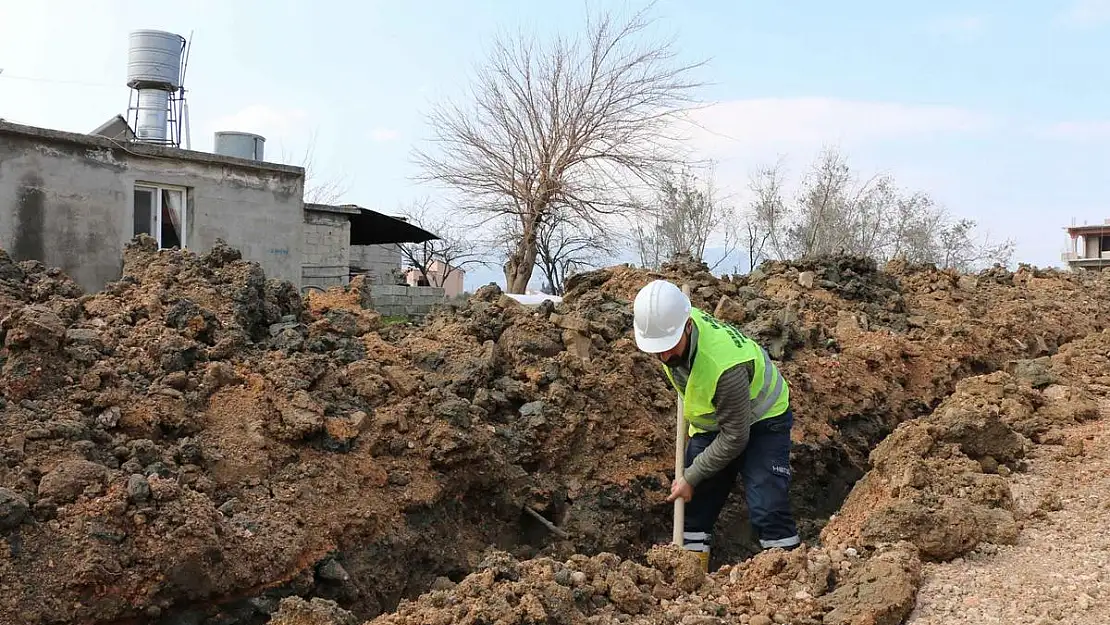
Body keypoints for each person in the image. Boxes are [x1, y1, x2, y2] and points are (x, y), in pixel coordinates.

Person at [633, 279, 800, 571]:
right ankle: (693, 578)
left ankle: (787, 578)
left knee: (767, 506)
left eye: (669, 347)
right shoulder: (668, 325)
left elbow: (735, 438)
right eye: (656, 349)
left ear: (687, 326)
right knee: (692, 507)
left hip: (763, 419)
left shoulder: (724, 367)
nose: (664, 356)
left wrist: (693, 474)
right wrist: (693, 479)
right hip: (713, 422)